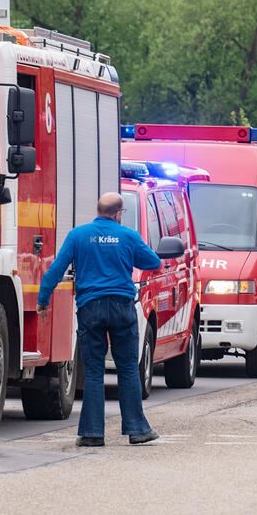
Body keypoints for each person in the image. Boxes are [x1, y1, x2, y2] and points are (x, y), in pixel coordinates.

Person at [37, 192, 162, 447]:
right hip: (121, 307)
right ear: (118, 213)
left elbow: (55, 270)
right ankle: (137, 430)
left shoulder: (78, 235)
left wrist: (42, 300)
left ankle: (93, 433)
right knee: (127, 368)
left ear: (98, 210)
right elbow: (153, 261)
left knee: (93, 370)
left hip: (90, 307)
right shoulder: (128, 236)